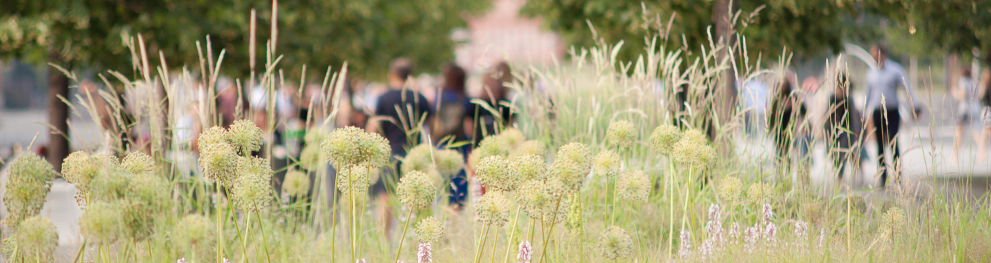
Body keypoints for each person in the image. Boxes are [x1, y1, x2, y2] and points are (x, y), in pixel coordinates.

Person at [367, 58, 433, 232]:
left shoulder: (383, 98)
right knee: (418, 198)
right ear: (411, 75)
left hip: (390, 153)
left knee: (385, 198)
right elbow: (434, 127)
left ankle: (383, 241)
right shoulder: (420, 98)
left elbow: (372, 129)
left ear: (392, 74)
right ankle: (420, 240)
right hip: (414, 155)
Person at [865, 44, 917, 188]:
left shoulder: (895, 70)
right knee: (880, 146)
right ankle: (882, 177)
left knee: (894, 143)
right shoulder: (870, 73)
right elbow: (867, 95)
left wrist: (913, 106)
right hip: (877, 112)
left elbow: (907, 88)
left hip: (892, 111)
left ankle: (898, 176)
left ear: (883, 54)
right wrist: (864, 114)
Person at [431, 63, 471, 208]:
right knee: (458, 182)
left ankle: (443, 213)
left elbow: (433, 120)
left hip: (442, 142)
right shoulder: (465, 99)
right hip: (460, 143)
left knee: (442, 181)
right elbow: (469, 127)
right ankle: (456, 213)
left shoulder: (439, 95)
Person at [823, 73, 865, 185]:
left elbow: (853, 114)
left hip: (847, 129)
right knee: (837, 153)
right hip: (835, 130)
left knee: (848, 152)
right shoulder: (832, 98)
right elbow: (828, 113)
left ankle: (853, 173)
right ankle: (840, 175)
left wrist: (856, 128)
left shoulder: (848, 98)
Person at [767, 77, 808, 182]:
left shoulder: (793, 97)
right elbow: (772, 114)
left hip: (790, 131)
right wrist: (770, 127)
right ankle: (780, 175)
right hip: (779, 131)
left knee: (788, 154)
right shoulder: (777, 99)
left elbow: (804, 110)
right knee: (780, 154)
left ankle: (787, 175)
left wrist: (804, 125)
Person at [952, 69, 978, 161]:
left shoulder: (963, 80)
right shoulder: (974, 81)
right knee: (976, 132)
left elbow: (963, 94)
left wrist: (955, 93)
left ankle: (955, 156)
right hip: (975, 108)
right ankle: (982, 153)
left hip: (965, 110)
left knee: (958, 132)